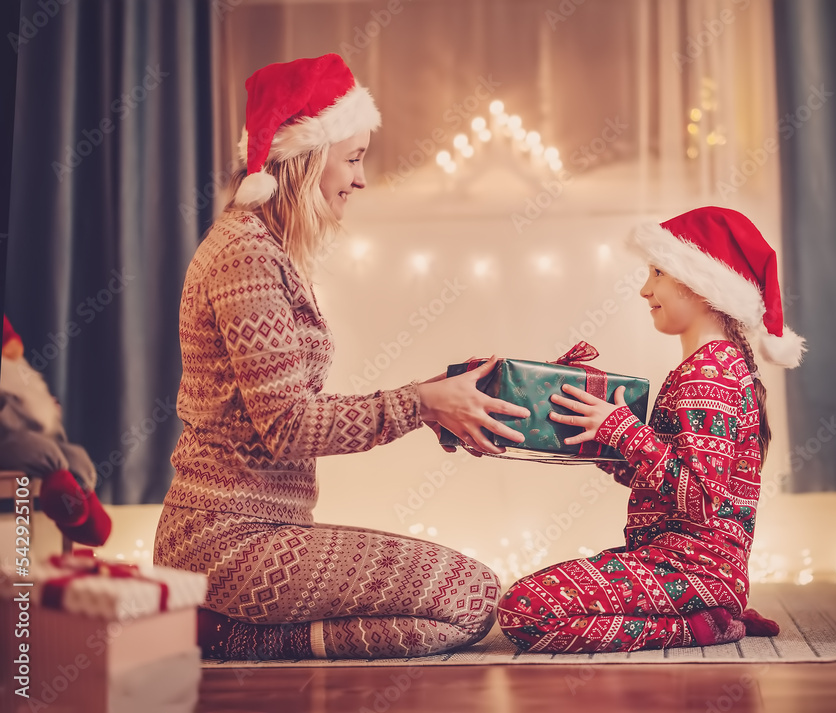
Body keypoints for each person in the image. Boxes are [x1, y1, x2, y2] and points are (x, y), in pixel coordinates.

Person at [152, 54, 530, 660]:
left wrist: (434, 401)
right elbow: (289, 426)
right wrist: (420, 403)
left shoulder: (267, 250)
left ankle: (231, 633)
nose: (359, 179)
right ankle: (226, 633)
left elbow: (285, 413)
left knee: (473, 603)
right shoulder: (246, 257)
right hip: (225, 544)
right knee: (472, 596)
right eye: (352, 158)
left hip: (263, 533)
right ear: (303, 159)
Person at [497, 207, 803, 653]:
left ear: (701, 284)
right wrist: (601, 426)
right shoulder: (708, 367)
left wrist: (622, 429)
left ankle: (703, 625)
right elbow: (666, 482)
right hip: (674, 561)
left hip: (692, 570)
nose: (645, 289)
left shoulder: (708, 375)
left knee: (525, 610)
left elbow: (700, 501)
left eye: (657, 272)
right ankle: (705, 614)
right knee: (532, 604)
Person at [1, 315, 111, 546]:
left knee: (75, 455)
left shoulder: (17, 371)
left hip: (36, 430)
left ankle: (84, 501)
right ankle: (63, 497)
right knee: (44, 453)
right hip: (8, 437)